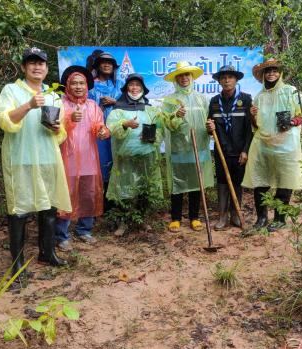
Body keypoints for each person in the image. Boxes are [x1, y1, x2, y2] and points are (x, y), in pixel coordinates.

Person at [0, 47, 71, 285]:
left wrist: (59, 129)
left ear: (47, 68)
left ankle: (47, 253)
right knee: (19, 210)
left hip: (47, 158)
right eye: (32, 63)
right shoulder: (11, 90)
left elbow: (61, 132)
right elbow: (3, 120)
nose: (37, 67)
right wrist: (28, 105)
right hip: (21, 158)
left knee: (48, 208)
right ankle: (17, 261)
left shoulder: (54, 93)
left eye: (42, 64)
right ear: (24, 67)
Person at [242, 59, 302, 232]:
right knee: (260, 181)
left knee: (284, 181)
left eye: (274, 70)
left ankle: (280, 219)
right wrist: (252, 116)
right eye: (268, 71)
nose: (271, 73)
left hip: (286, 145)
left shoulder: (290, 91)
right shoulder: (259, 96)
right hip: (263, 144)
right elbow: (256, 125)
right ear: (263, 75)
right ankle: (261, 218)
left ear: (280, 74)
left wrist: (292, 122)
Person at [55, 65, 110, 250]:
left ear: (87, 86)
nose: (78, 87)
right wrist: (70, 119)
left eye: (81, 83)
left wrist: (102, 131)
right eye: (74, 83)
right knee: (66, 195)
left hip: (88, 158)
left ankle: (84, 230)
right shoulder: (59, 104)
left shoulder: (92, 106)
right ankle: (61, 234)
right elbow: (53, 129)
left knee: (88, 193)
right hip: (66, 158)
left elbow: (99, 125)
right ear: (67, 86)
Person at [106, 74, 164, 236]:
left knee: (144, 188)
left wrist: (152, 137)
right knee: (124, 189)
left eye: (138, 85)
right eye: (131, 85)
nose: (134, 88)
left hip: (147, 157)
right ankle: (123, 222)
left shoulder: (151, 109)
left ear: (143, 89)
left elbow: (160, 129)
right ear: (126, 89)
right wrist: (124, 124)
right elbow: (112, 129)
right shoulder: (117, 110)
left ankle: (142, 220)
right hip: (125, 159)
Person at [162, 61, 214, 232]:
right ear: (176, 79)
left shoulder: (201, 98)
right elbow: (166, 123)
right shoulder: (170, 100)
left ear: (192, 77)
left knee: (196, 181)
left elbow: (209, 119)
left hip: (199, 146)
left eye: (187, 75)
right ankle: (176, 217)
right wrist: (175, 115)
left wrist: (210, 127)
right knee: (178, 182)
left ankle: (194, 217)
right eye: (180, 76)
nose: (184, 78)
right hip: (178, 148)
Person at [206, 65, 253, 230]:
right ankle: (222, 217)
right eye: (223, 78)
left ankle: (235, 215)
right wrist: (209, 127)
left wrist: (246, 150)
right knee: (222, 184)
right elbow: (209, 127)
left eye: (230, 77)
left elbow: (250, 129)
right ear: (219, 81)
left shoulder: (246, 99)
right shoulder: (214, 102)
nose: (227, 80)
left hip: (240, 152)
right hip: (221, 151)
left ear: (236, 80)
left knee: (237, 183)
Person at [88, 52, 123, 211]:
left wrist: (115, 101)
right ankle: (96, 207)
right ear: (97, 65)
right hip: (95, 134)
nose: (107, 65)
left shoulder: (120, 85)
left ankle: (112, 207)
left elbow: (132, 104)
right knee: (97, 168)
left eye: (110, 63)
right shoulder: (89, 86)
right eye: (103, 62)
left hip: (117, 133)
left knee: (116, 167)